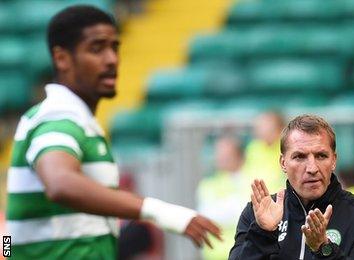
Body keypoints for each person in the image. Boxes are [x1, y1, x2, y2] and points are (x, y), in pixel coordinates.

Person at [5, 5, 221, 259]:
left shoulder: (80, 121)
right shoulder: (58, 115)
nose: (112, 59)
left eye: (114, 47)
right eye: (97, 48)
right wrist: (161, 211)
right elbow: (60, 183)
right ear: (62, 58)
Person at [229, 114, 354, 259]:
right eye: (299, 157)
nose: (312, 168)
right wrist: (262, 233)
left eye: (321, 156)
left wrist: (323, 248)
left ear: (334, 160)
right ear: (283, 163)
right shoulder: (257, 214)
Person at [197, 136, 249, 259]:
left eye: (226, 154)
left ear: (239, 155)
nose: (220, 158)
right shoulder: (208, 184)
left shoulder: (256, 178)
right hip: (216, 255)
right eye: (218, 154)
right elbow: (206, 216)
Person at [242, 110, 287, 193]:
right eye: (260, 125)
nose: (262, 129)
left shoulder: (287, 147)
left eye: (266, 125)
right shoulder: (253, 147)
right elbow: (247, 175)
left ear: (279, 127)